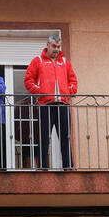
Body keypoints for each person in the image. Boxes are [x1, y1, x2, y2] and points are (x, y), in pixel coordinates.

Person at [24, 34, 77, 169]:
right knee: (43, 137)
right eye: (54, 46)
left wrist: (69, 92)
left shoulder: (65, 62)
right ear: (47, 45)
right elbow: (28, 80)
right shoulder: (38, 61)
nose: (56, 49)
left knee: (66, 138)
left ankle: (68, 166)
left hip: (63, 104)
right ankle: (42, 166)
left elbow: (73, 80)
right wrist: (40, 92)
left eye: (58, 47)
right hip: (45, 105)